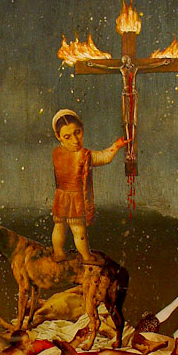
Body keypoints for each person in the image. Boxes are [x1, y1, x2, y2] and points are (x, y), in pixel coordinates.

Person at [50, 109, 129, 265]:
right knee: (78, 230)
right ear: (58, 137)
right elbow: (104, 157)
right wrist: (116, 146)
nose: (75, 140)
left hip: (61, 197)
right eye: (67, 136)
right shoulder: (84, 155)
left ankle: (58, 253)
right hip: (75, 199)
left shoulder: (56, 153)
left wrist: (117, 145)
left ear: (82, 129)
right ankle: (86, 257)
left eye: (77, 133)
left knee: (59, 226)